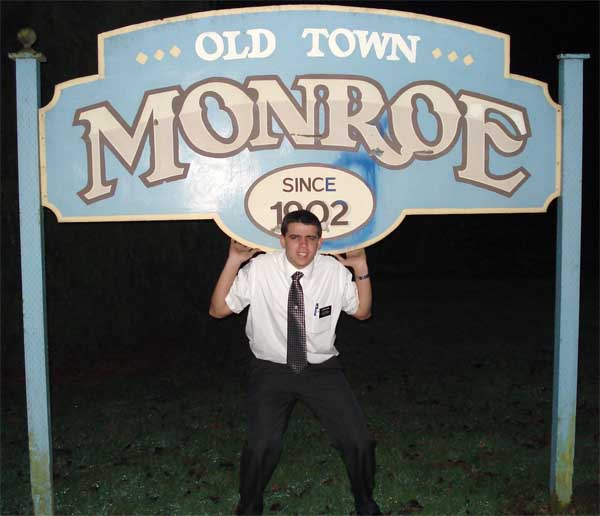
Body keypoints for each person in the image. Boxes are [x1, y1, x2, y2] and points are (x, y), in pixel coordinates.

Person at [209, 209, 381, 515]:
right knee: (262, 446)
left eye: (311, 238)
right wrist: (234, 260)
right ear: (282, 240)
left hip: (322, 369)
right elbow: (218, 310)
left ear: (320, 242)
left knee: (359, 441)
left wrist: (361, 267)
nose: (303, 246)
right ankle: (248, 507)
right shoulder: (261, 268)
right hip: (270, 368)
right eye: (295, 237)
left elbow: (362, 312)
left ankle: (365, 503)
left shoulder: (332, 271)